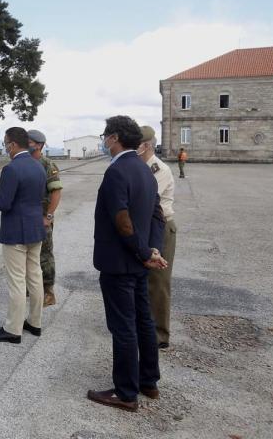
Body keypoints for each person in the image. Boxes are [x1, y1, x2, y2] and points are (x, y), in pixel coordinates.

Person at [87, 116, 168, 413]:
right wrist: (151, 249)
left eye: (105, 135)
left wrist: (144, 251)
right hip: (138, 261)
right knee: (143, 321)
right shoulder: (145, 171)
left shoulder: (117, 171)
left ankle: (125, 393)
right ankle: (148, 381)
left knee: (123, 327)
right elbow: (158, 215)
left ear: (115, 138)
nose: (104, 140)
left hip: (119, 263)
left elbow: (122, 220)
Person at [0, 127, 47, 344]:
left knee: (17, 281)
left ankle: (13, 329)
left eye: (5, 143)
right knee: (35, 277)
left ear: (12, 144)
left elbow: (5, 203)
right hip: (35, 229)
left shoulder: (11, 169)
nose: (5, 148)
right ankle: (35, 322)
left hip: (16, 231)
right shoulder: (38, 166)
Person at [139, 126, 177, 349]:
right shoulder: (142, 167)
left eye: (137, 144)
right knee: (144, 279)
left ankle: (160, 334)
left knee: (158, 281)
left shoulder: (157, 169)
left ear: (147, 145)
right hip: (146, 226)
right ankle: (144, 326)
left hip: (161, 227)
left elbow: (146, 200)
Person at [27, 130, 63, 307]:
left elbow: (56, 191)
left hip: (42, 218)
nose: (27, 144)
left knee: (45, 255)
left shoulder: (47, 164)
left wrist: (48, 216)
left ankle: (48, 292)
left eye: (30, 142)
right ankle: (32, 287)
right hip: (26, 218)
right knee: (28, 254)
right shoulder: (23, 162)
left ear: (39, 145)